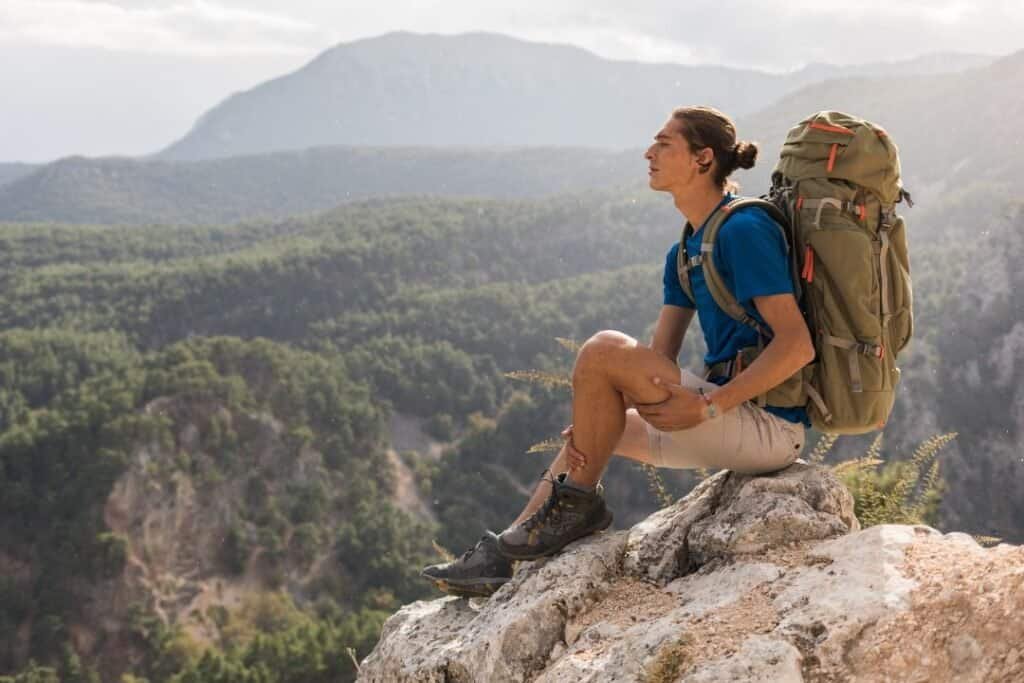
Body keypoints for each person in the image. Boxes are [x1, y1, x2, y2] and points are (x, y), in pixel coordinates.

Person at [421, 105, 815, 598]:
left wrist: (711, 403)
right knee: (588, 433)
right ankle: (501, 557)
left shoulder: (743, 231)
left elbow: (797, 345)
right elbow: (657, 364)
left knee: (602, 347)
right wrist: (602, 414)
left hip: (771, 429)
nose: (649, 153)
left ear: (703, 159)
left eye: (664, 144)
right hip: (724, 422)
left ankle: (578, 505)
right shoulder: (686, 251)